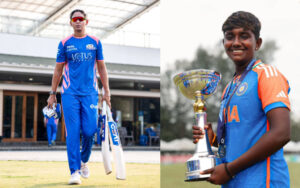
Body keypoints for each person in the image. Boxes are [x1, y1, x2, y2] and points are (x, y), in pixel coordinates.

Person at [192, 11, 290, 187]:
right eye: (230, 37)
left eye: (244, 36)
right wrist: (213, 139)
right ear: (224, 43)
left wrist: (229, 170)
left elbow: (281, 133)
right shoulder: (230, 88)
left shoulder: (267, 75)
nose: (236, 42)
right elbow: (237, 139)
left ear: (257, 43)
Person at [47, 9, 111, 185]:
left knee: (90, 131)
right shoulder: (65, 43)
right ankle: (74, 171)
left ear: (86, 22)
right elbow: (58, 70)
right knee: (73, 134)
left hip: (90, 94)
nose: (78, 22)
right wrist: (52, 94)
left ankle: (83, 161)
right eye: (74, 19)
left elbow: (102, 68)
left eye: (80, 19)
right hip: (69, 94)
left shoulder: (95, 43)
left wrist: (107, 92)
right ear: (70, 23)